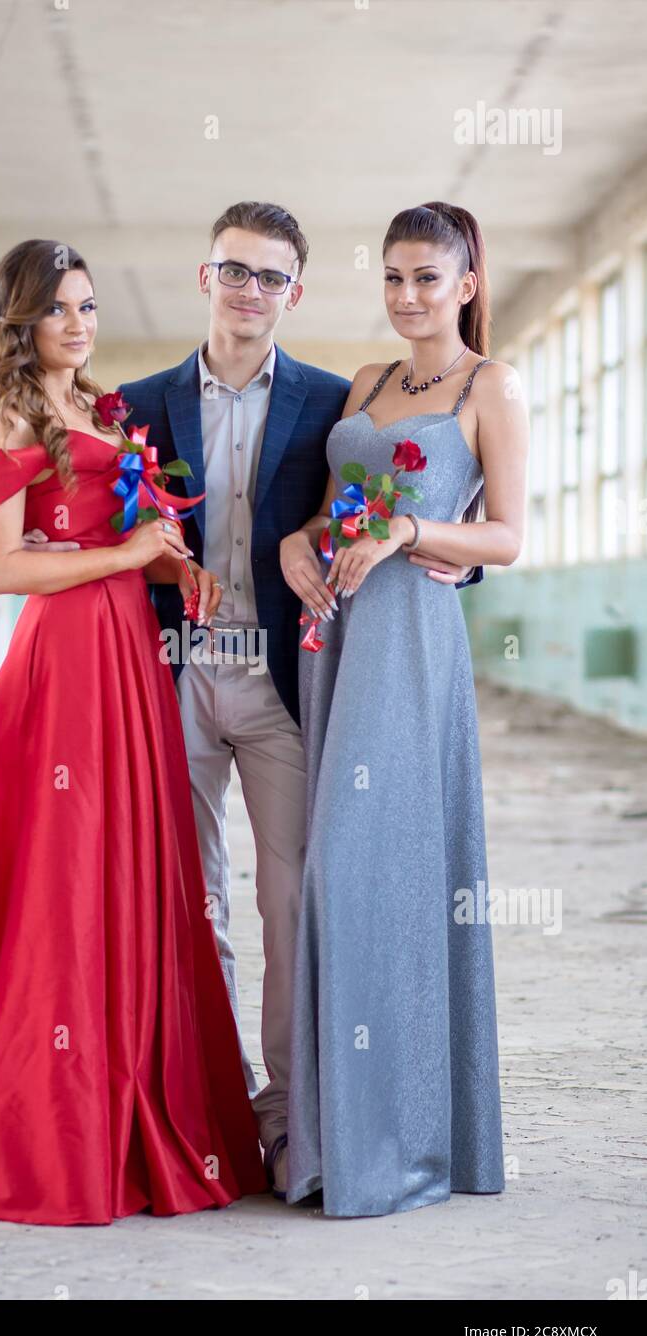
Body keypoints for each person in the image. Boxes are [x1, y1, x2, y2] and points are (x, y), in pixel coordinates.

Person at [0, 239, 268, 1226]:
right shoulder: (16, 413)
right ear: (22, 322)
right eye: (58, 311)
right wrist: (122, 552)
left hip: (126, 658)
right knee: (64, 886)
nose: (79, 325)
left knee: (130, 877)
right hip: (62, 672)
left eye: (86, 307)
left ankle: (132, 1102)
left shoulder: (100, 407)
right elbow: (2, 569)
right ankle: (51, 1132)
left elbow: (108, 529)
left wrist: (161, 563)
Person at [117, 202, 483, 1197]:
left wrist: (447, 565)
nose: (249, 291)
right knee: (187, 904)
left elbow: (399, 490)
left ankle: (285, 1119)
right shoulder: (136, 403)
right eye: (234, 271)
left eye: (270, 277)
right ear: (206, 277)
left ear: (295, 292)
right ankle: (203, 1102)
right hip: (176, 673)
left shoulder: (331, 397)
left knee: (292, 901)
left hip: (288, 680)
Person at [282, 201, 528, 1216]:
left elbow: (507, 536)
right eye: (390, 276)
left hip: (409, 642)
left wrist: (408, 533)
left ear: (464, 284)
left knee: (367, 864)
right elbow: (336, 508)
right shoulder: (367, 382)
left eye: (426, 278)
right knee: (329, 873)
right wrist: (302, 541)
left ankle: (406, 1141)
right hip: (333, 632)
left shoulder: (489, 385)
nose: (405, 296)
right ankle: (336, 1137)